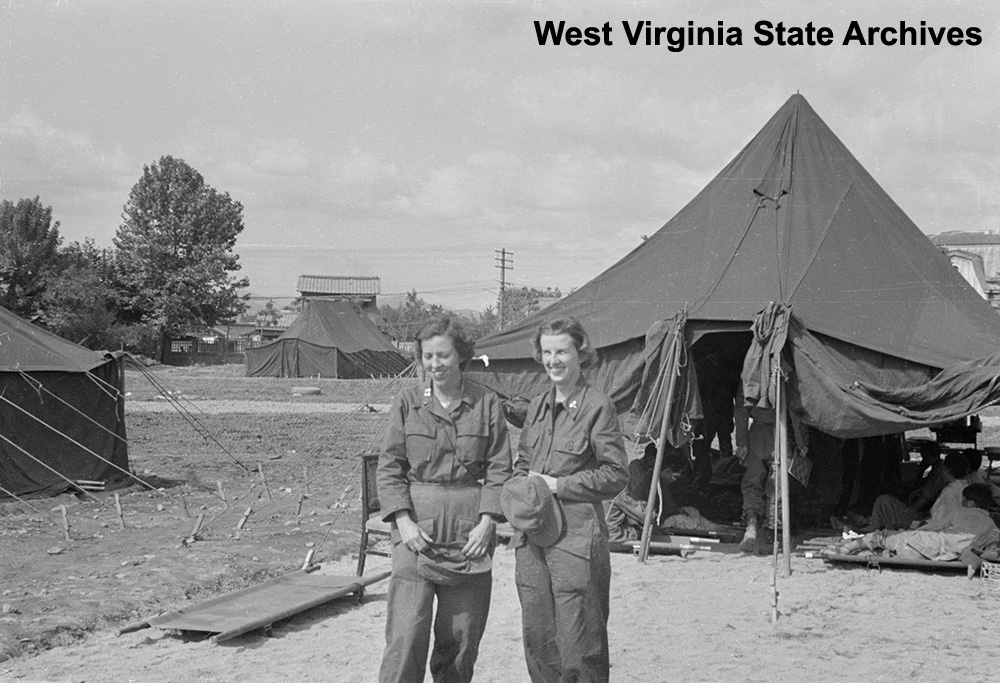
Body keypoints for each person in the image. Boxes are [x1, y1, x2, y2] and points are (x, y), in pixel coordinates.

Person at [376, 316, 512, 683]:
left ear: (461, 357)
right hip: (415, 529)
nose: (435, 364)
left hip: (470, 530)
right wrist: (403, 521)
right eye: (428, 356)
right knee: (406, 634)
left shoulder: (486, 403)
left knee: (461, 636)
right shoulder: (407, 402)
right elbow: (389, 467)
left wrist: (488, 523)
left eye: (444, 356)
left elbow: (501, 469)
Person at [507, 317, 628, 683]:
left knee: (580, 643)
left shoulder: (597, 406)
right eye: (546, 352)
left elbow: (616, 474)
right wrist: (518, 492)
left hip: (575, 540)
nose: (553, 360)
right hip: (531, 540)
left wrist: (558, 486)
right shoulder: (539, 405)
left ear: (580, 353)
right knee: (539, 640)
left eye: (562, 351)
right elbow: (523, 464)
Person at [830, 483, 999, 563]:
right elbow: (993, 549)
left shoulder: (958, 512)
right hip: (939, 557)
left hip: (921, 546)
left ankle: (847, 548)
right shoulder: (992, 527)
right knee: (890, 548)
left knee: (882, 536)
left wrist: (909, 530)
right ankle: (857, 551)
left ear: (970, 504)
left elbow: (931, 527)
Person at [606, 442, 723, 544]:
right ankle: (708, 529)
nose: (676, 479)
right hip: (627, 530)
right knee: (681, 519)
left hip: (645, 517)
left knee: (691, 511)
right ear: (667, 471)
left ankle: (713, 527)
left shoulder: (655, 480)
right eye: (675, 475)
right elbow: (651, 513)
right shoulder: (649, 482)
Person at [860, 449, 970, 532]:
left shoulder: (949, 490)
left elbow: (936, 520)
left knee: (883, 500)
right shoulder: (964, 486)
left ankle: (873, 527)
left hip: (925, 524)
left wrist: (912, 517)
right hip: (929, 520)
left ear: (946, 470)